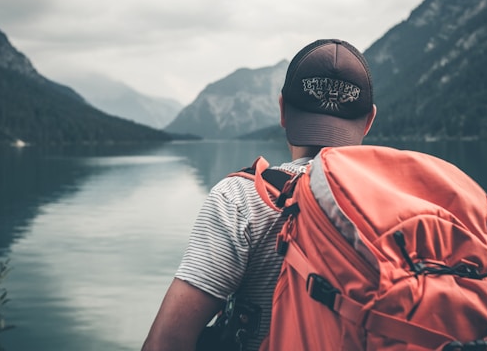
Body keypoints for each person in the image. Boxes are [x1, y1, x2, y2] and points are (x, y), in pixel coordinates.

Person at [142, 39, 377, 351]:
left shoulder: (240, 199)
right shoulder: (406, 205)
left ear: (282, 110)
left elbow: (166, 343)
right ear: (369, 121)